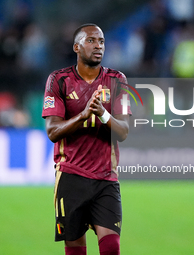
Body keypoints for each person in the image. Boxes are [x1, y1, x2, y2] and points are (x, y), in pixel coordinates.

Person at [42, 23, 131, 255]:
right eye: (91, 41)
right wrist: (83, 115)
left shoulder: (117, 79)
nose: (98, 46)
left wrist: (103, 113)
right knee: (75, 248)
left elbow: (123, 131)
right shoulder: (58, 80)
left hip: (106, 177)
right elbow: (52, 132)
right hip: (71, 175)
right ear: (77, 47)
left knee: (111, 246)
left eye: (101, 41)